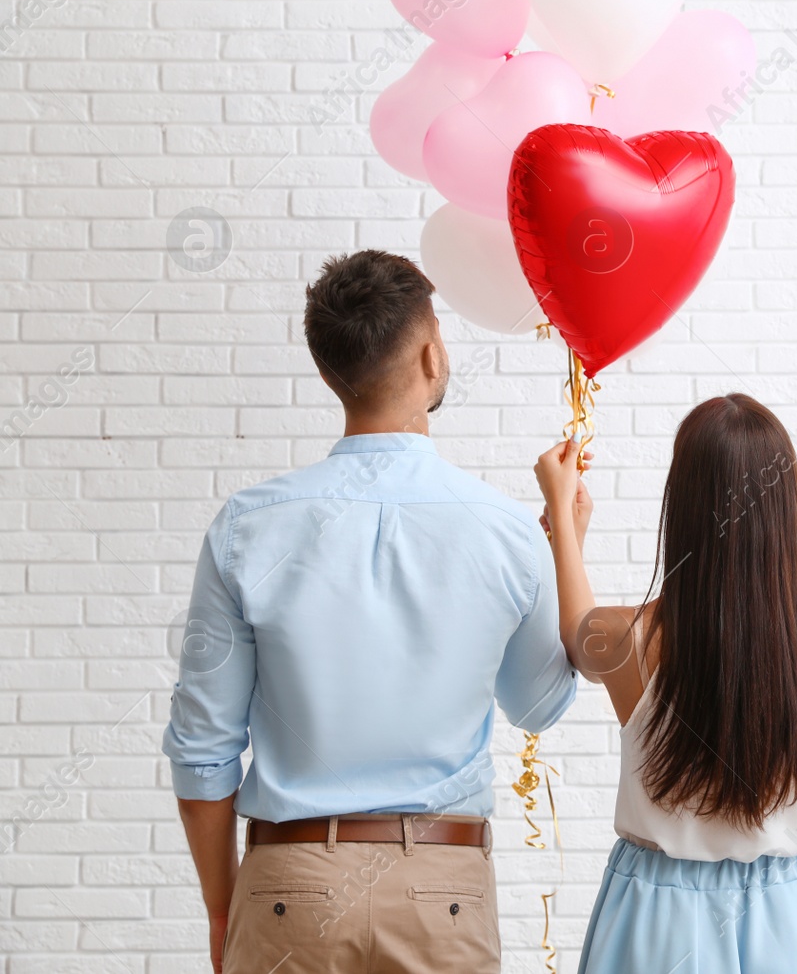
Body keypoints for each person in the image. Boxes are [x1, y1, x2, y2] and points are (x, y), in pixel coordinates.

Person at [161, 250, 577, 973]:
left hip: (288, 888)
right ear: (431, 355)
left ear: (330, 373)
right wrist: (563, 542)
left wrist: (227, 910)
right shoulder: (505, 530)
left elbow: (204, 756)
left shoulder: (247, 526)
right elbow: (538, 705)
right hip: (441, 892)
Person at [534, 393, 797, 973]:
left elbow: (573, 633)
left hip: (654, 920)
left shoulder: (628, 641)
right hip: (795, 920)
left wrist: (565, 521)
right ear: (786, 508)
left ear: (684, 507)